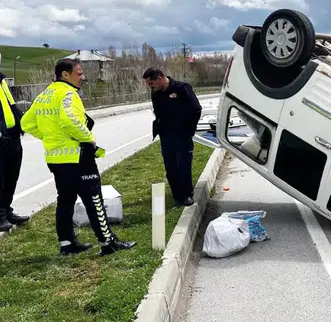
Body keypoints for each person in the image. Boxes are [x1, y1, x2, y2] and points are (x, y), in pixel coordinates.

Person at [20, 58, 136, 256]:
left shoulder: (44, 95)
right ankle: (108, 242)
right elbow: (69, 119)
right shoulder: (68, 93)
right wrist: (88, 138)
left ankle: (67, 243)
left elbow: (26, 123)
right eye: (79, 73)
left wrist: (49, 136)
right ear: (65, 74)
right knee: (94, 199)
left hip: (56, 160)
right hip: (78, 157)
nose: (83, 77)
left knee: (65, 200)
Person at [143, 68, 202, 207]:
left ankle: (187, 195)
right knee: (170, 168)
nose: (151, 87)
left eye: (151, 83)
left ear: (160, 78)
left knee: (183, 166)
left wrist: (189, 130)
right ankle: (177, 196)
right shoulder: (156, 94)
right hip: (166, 136)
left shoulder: (182, 88)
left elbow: (196, 109)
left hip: (182, 135)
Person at [0, 70, 29, 232]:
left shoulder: (2, 81)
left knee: (11, 177)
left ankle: (5, 210)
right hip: (1, 137)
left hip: (12, 136)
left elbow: (9, 105)